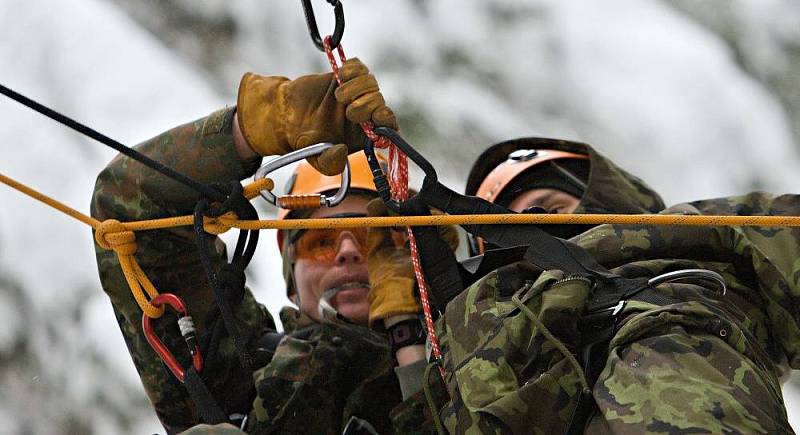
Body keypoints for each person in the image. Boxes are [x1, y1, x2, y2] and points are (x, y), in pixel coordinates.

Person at [91, 59, 446, 434]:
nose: (348, 253)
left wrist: (414, 336)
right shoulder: (240, 370)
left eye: (373, 238)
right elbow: (127, 209)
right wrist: (256, 128)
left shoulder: (476, 366)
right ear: (291, 273)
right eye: (321, 242)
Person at [428, 136, 796, 433]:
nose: (533, 222)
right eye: (506, 234)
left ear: (609, 201)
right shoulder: (491, 361)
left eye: (552, 207)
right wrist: (401, 325)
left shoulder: (697, 257)